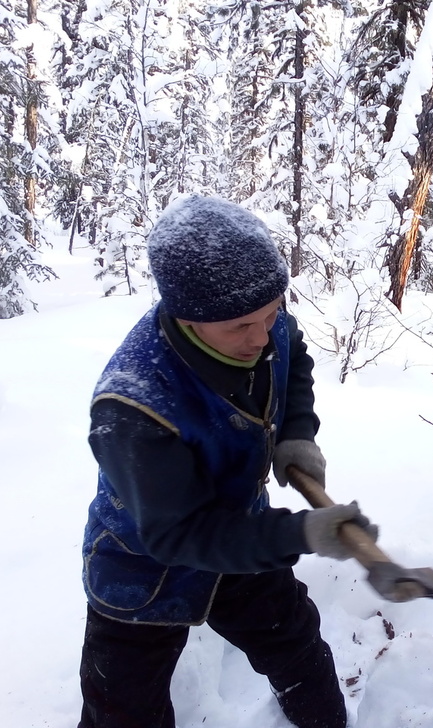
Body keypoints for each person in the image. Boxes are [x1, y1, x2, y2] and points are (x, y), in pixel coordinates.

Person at [78, 195, 374, 728]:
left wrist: (296, 433)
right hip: (142, 568)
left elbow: (292, 352)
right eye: (241, 327)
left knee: (295, 642)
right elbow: (177, 537)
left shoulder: (257, 317)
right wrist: (302, 534)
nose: (261, 337)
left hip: (242, 531)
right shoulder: (132, 409)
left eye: (272, 312)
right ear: (188, 317)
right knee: (121, 711)